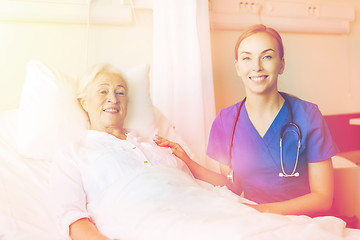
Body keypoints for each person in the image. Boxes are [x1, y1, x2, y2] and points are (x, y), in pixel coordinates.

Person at [154, 24, 338, 217]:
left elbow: (323, 198)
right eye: (247, 58)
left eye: (267, 56)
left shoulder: (307, 114)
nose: (256, 66)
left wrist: (263, 210)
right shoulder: (225, 121)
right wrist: (188, 162)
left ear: (281, 64)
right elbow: (232, 185)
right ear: (238, 67)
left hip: (305, 224)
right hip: (254, 222)